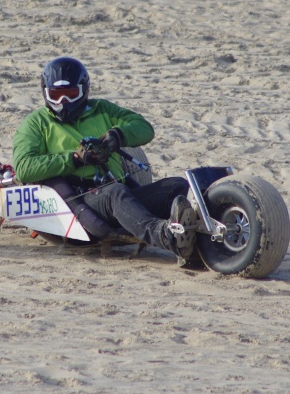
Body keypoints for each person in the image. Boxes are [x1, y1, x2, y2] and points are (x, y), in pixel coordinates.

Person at [12, 56, 198, 263]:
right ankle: (165, 235)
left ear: (84, 90)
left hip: (117, 189)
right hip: (81, 199)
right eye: (55, 95)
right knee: (115, 193)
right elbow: (23, 168)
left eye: (71, 94)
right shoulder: (36, 123)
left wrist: (117, 137)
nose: (63, 102)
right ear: (45, 93)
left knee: (176, 186)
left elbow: (145, 128)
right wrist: (74, 159)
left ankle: (198, 236)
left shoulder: (102, 109)